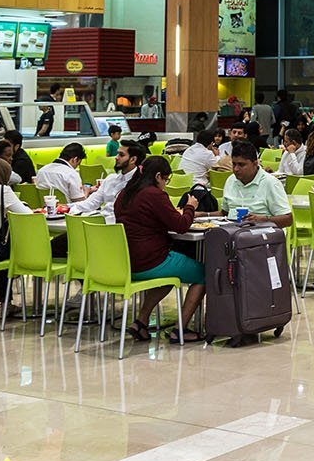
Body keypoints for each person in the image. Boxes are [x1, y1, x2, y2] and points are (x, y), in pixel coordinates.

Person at [111, 155, 206, 343]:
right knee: (204, 274)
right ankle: (181, 329)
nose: (165, 184)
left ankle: (141, 322)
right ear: (158, 177)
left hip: (126, 264)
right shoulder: (154, 195)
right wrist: (190, 207)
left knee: (168, 279)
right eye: (166, 179)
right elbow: (181, 226)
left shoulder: (125, 194)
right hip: (152, 260)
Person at [67, 142, 147, 222]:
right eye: (117, 154)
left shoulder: (141, 183)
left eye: (121, 155)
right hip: (101, 223)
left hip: (122, 227)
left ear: (133, 159)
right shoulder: (110, 179)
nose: (116, 157)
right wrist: (66, 207)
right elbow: (92, 202)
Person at [221, 142, 293, 226]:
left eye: (241, 164)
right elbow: (224, 213)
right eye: (234, 164)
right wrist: (205, 215)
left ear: (255, 164)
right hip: (233, 231)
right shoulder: (231, 180)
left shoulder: (270, 183)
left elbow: (288, 219)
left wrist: (263, 220)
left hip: (263, 234)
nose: (236, 169)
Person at [36, 142, 89, 207]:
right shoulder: (71, 173)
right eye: (78, 164)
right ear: (75, 159)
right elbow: (80, 202)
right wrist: (86, 191)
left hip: (44, 212)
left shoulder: (41, 170)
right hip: (66, 213)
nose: (76, 167)